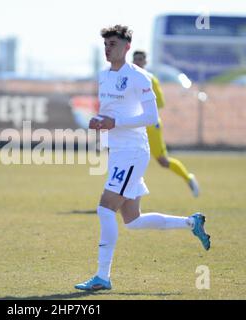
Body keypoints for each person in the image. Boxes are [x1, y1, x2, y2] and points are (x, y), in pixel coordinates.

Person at [75, 25, 210, 291]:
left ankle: (102, 276)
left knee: (104, 208)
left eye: (113, 44)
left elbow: (151, 118)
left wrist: (115, 122)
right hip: (118, 153)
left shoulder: (139, 78)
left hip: (133, 152)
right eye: (105, 44)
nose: (108, 48)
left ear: (126, 47)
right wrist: (100, 121)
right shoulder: (102, 76)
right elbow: (112, 114)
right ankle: (191, 222)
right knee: (133, 221)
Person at [132, 50, 200, 197]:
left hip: (151, 125)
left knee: (163, 161)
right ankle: (127, 195)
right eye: (135, 59)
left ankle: (188, 178)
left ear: (145, 62)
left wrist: (143, 107)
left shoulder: (150, 79)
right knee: (129, 157)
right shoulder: (127, 79)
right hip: (134, 125)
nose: (138, 62)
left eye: (141, 59)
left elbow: (161, 103)